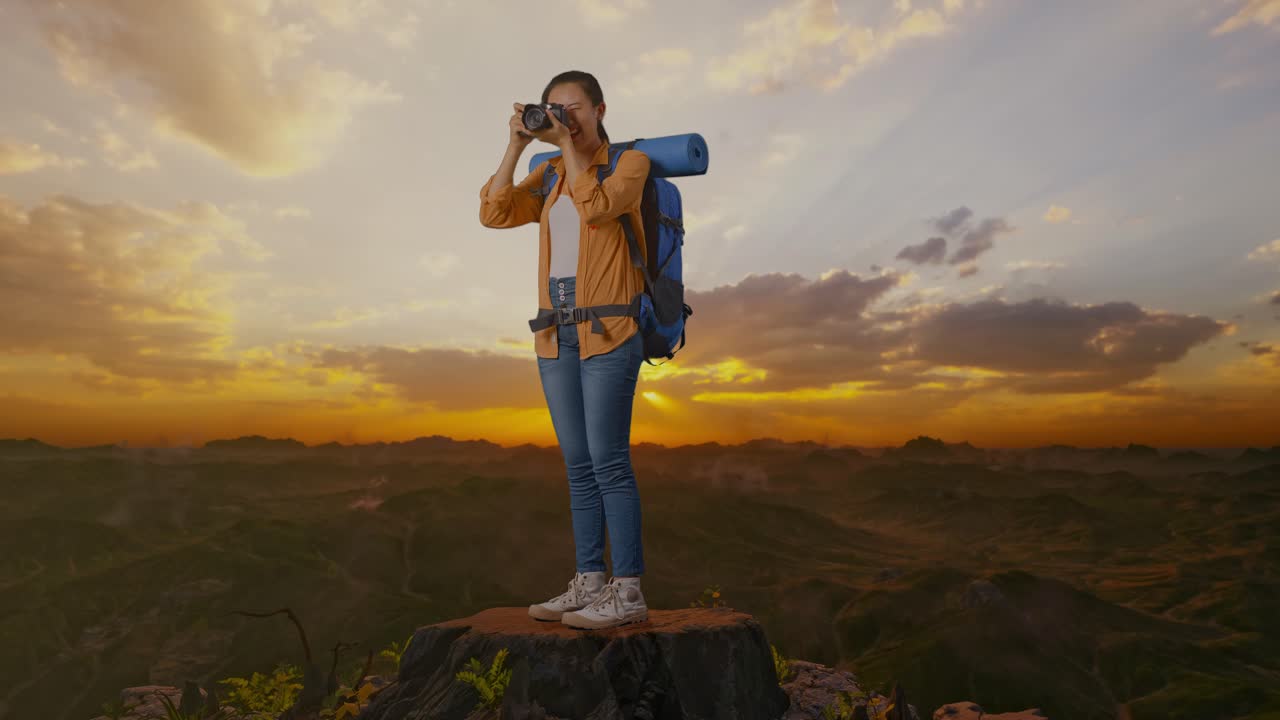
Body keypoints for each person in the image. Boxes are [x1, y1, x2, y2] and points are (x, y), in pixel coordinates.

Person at [478, 70, 652, 630]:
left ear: (600, 109)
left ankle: (627, 592)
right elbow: (494, 211)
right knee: (578, 468)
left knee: (610, 464)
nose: (563, 118)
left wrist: (568, 150)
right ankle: (589, 581)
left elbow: (598, 208)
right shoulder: (549, 173)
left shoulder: (630, 163)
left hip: (609, 331)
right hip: (555, 333)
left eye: (572, 108)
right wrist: (517, 145)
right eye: (553, 109)